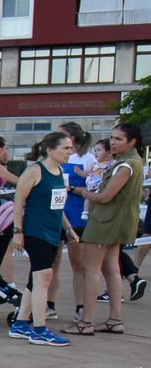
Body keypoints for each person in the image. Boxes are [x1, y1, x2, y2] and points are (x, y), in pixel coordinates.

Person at [71, 122, 145, 335]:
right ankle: (115, 319)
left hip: (106, 220)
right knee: (112, 268)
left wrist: (82, 192)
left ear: (132, 142)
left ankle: (86, 321)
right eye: (112, 137)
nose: (113, 142)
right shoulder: (131, 162)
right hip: (119, 221)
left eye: (119, 138)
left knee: (90, 268)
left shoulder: (125, 165)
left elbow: (105, 196)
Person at [9, 133, 74, 345]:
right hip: (36, 231)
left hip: (53, 231)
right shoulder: (34, 171)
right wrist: (17, 231)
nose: (69, 152)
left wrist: (68, 227)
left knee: (35, 280)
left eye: (70, 148)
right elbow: (18, 201)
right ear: (50, 149)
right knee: (43, 278)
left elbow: (58, 204)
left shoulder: (59, 171)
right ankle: (39, 329)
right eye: (65, 148)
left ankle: (20, 324)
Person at [57, 126, 100, 323]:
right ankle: (48, 305)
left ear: (71, 138)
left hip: (76, 215)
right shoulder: (56, 157)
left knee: (78, 263)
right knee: (50, 264)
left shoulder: (88, 159)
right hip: (56, 214)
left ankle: (80, 307)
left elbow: (94, 187)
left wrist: (73, 188)